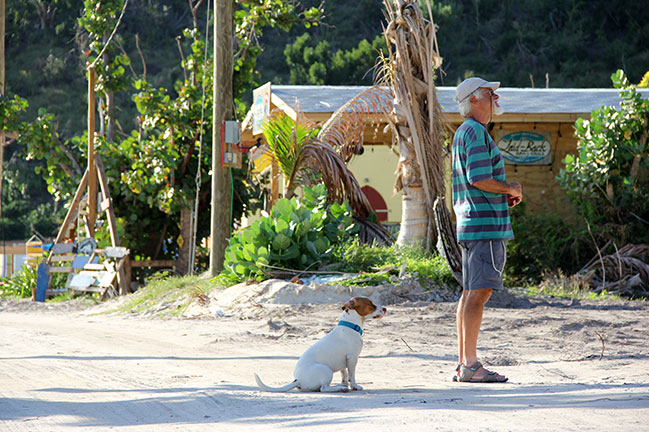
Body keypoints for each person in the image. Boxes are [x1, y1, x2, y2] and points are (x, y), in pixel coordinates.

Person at [451, 77, 522, 383]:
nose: (496, 97)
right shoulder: (476, 131)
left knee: (470, 293)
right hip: (484, 226)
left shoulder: (464, 132)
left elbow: (475, 181)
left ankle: (464, 364)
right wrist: (510, 187)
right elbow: (479, 178)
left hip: (471, 223)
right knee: (479, 293)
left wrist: (502, 192)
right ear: (474, 99)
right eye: (491, 93)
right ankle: (470, 365)